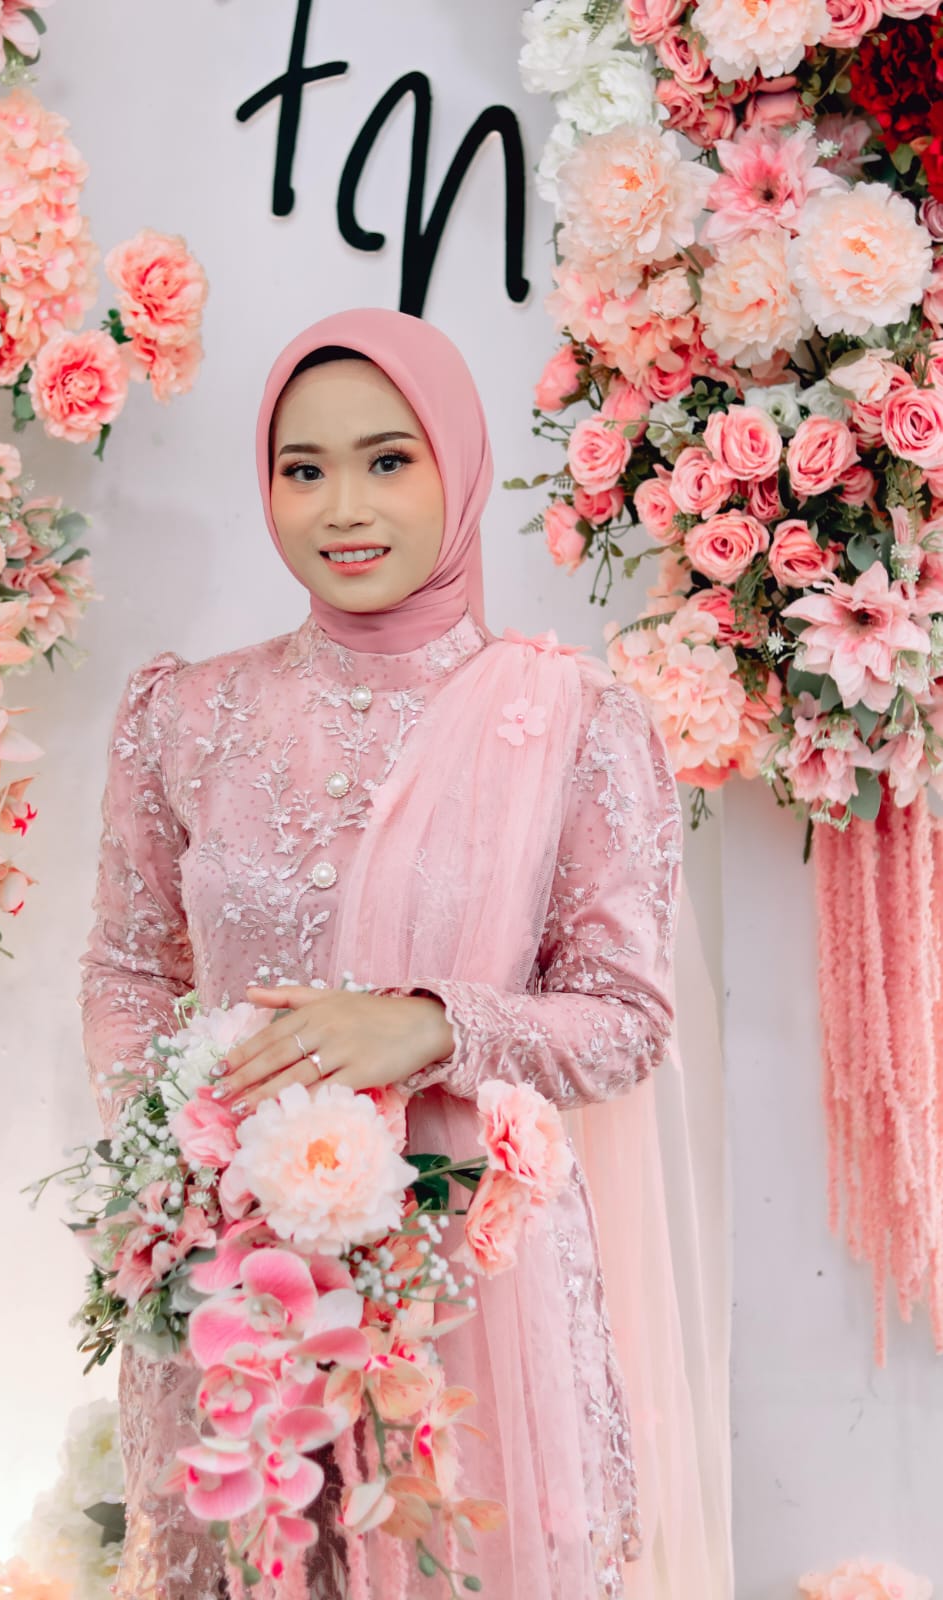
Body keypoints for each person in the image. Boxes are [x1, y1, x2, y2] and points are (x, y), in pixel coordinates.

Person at [77, 308, 725, 1600]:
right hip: (240, 1281)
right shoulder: (185, 716)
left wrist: (431, 1025)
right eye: (302, 469)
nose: (343, 508)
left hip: (472, 1286)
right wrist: (188, 1156)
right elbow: (128, 971)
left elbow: (626, 1018)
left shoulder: (570, 721)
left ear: (460, 467)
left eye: (388, 460)